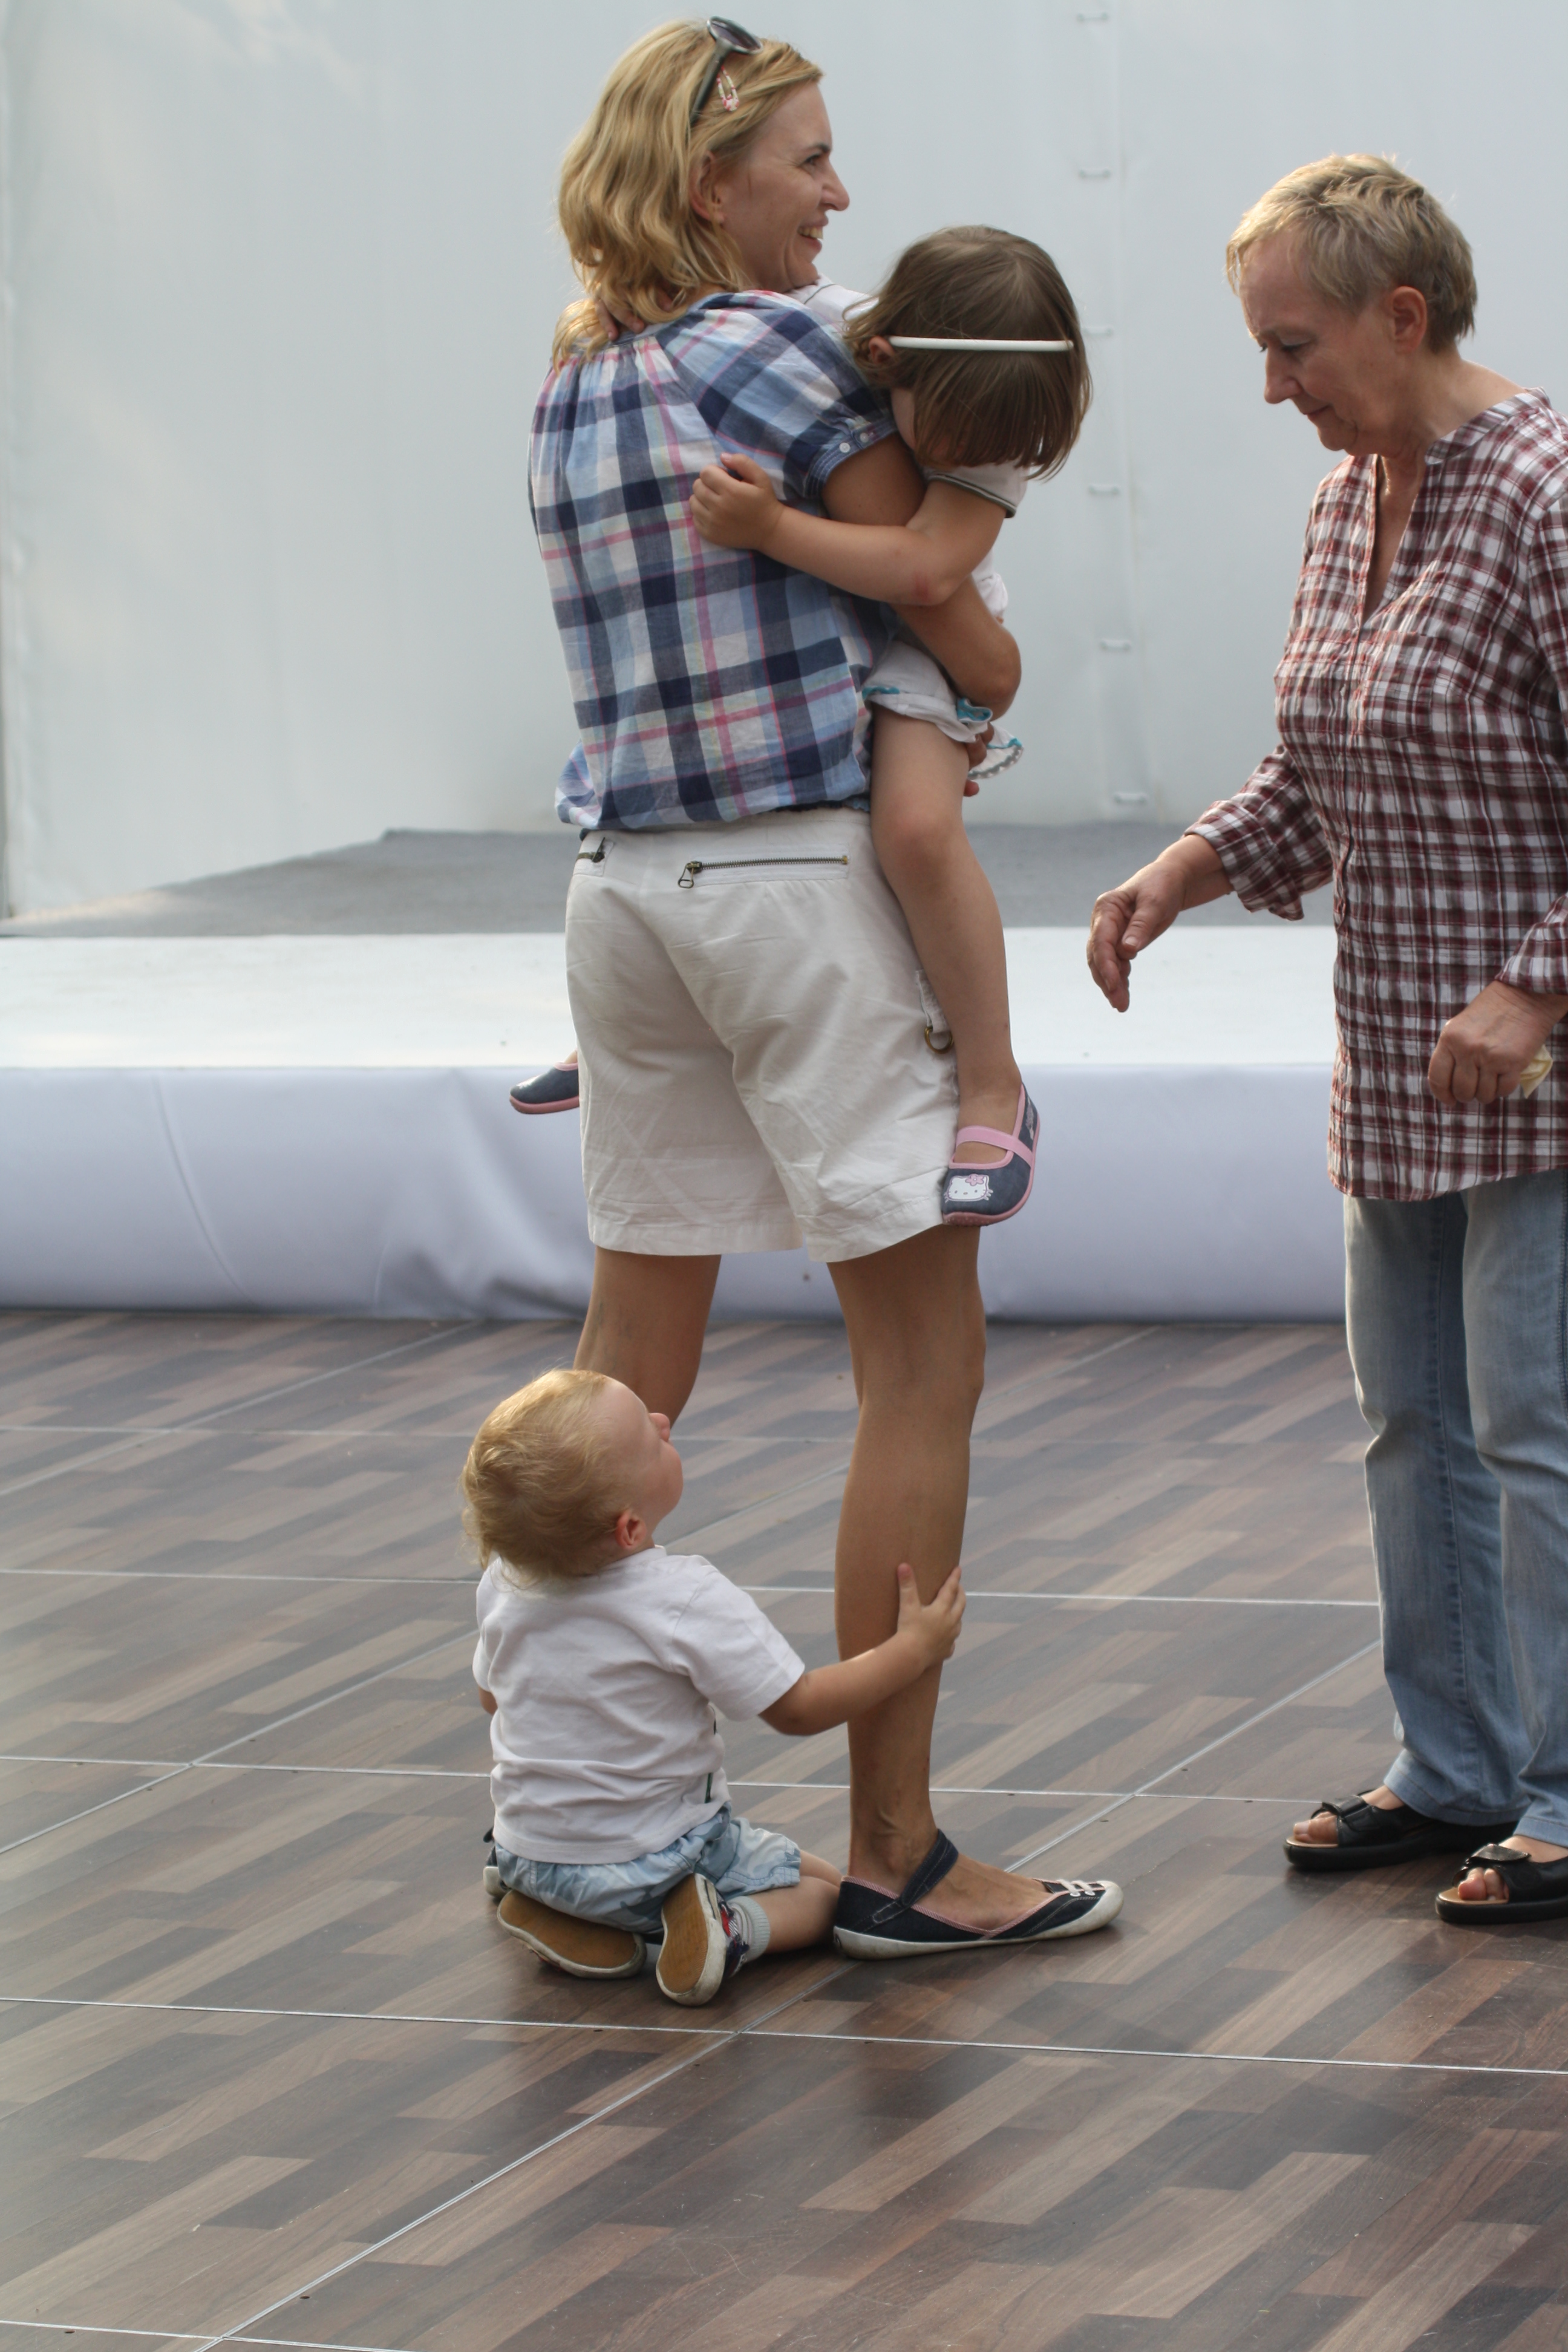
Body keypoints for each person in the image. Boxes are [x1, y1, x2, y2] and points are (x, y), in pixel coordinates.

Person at [523, 17, 1122, 1956]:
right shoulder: (787, 353)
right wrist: (982, 676)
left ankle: (565, 1827)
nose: (838, 194)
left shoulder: (571, 377)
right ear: (712, 184)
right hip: (790, 886)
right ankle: (895, 1856)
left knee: (620, 1382)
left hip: (623, 900)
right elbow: (951, 606)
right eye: (808, 159)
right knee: (921, 1370)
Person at [1086, 154, 1568, 1926]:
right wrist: (1187, 865)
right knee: (1410, 1427)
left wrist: (1537, 986)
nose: (1272, 384)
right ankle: (1455, 1768)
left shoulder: (1545, 492)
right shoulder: (1346, 498)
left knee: (1537, 1431)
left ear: (1403, 314)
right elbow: (1319, 768)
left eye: (1292, 346)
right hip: (1398, 1056)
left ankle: (1565, 1793)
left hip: (1539, 1067)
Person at [690, 225, 1091, 1223]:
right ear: (883, 360)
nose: (974, 460)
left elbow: (924, 573)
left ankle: (992, 1081)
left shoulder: (991, 428)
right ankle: (631, 1024)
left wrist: (771, 527)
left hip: (923, 642)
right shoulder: (823, 335)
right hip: (816, 614)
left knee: (914, 827)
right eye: (953, 441)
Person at [466, 1368, 1007, 2004]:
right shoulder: (682, 1598)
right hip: (658, 1858)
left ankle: (566, 1916)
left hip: (531, 1854)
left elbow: (492, 1697)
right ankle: (728, 1929)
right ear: (630, 1528)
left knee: (798, 1867)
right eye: (650, 1437)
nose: (664, 1422)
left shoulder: (505, 1582)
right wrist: (911, 1651)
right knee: (833, 1894)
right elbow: (799, 1709)